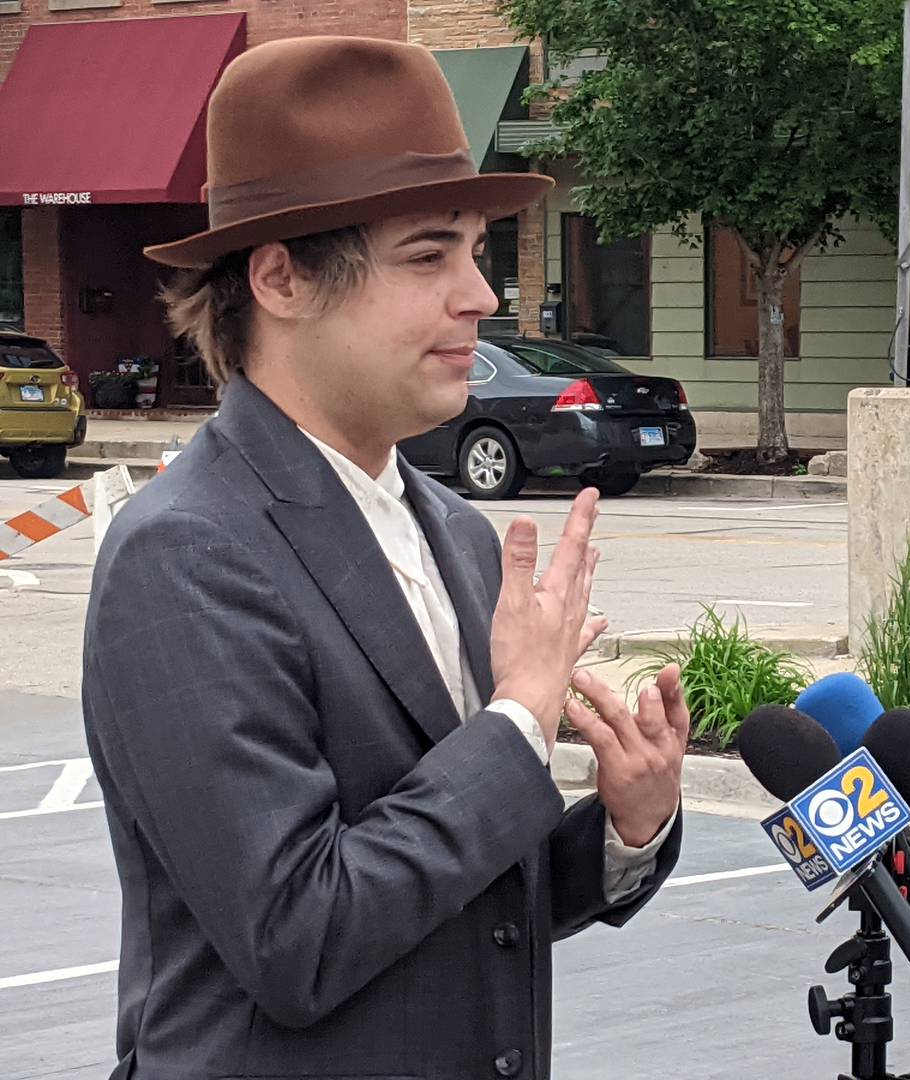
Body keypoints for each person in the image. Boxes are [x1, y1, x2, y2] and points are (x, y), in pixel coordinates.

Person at [81, 35, 688, 1080]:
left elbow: (468, 886)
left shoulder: (452, 530)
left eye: (478, 252)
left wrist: (627, 827)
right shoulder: (184, 554)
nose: (481, 296)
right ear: (280, 277)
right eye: (429, 255)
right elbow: (299, 936)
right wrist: (513, 725)